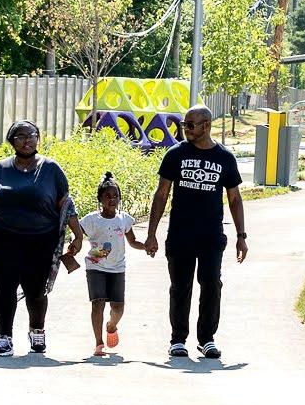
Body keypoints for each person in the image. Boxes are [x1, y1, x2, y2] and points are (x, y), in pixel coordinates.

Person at [144, 106, 247, 360]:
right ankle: (178, 340)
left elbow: (234, 198)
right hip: (180, 235)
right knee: (180, 287)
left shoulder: (224, 158)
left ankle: (207, 339)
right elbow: (161, 194)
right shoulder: (176, 154)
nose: (186, 129)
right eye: (184, 125)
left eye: (191, 125)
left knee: (211, 284)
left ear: (206, 125)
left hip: (211, 236)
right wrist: (151, 233)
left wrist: (241, 236)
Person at [0, 120, 71, 358]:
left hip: (41, 238)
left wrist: (76, 235)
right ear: (11, 142)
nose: (27, 141)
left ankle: (37, 330)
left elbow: (66, 204)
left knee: (36, 289)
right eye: (20, 137)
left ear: (38, 138)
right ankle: (4, 337)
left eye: (31, 135)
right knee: (5, 286)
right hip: (3, 237)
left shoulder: (51, 169)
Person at [65, 172, 144, 358]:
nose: (112, 199)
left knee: (118, 308)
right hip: (96, 267)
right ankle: (99, 343)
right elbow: (78, 234)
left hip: (117, 268)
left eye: (115, 196)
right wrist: (74, 244)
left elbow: (133, 242)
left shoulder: (124, 219)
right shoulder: (92, 220)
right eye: (107, 196)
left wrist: (146, 246)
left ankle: (112, 325)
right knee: (98, 303)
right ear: (100, 199)